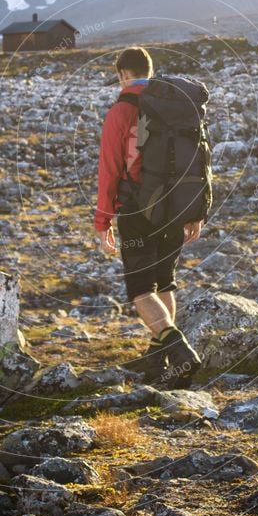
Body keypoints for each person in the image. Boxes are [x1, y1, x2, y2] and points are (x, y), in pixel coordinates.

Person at [94, 46, 202, 387]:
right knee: (164, 280)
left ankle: (179, 350)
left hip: (139, 210)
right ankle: (160, 361)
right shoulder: (178, 107)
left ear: (124, 74)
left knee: (141, 288)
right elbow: (199, 160)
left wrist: (103, 221)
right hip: (176, 205)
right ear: (150, 71)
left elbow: (110, 169)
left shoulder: (123, 109)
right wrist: (194, 211)